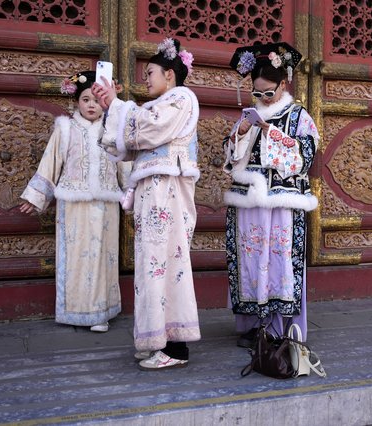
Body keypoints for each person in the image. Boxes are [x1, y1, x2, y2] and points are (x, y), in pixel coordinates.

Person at [92, 38, 201, 370]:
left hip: (166, 193)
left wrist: (117, 105)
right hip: (155, 194)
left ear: (169, 75)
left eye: (150, 73)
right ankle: (158, 339)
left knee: (165, 264)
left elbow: (149, 129)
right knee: (154, 265)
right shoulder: (165, 101)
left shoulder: (181, 98)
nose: (146, 80)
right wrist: (115, 106)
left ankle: (175, 347)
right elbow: (133, 137)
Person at [223, 42, 320, 348]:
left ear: (283, 84)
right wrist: (239, 136)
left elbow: (306, 154)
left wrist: (270, 132)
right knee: (251, 261)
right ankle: (255, 326)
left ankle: (280, 328)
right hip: (248, 199)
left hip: (282, 203)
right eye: (258, 93)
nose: (264, 98)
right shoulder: (248, 117)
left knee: (279, 263)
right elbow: (231, 157)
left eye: (269, 92)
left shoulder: (298, 116)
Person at [19, 70, 124, 332]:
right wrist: (36, 196)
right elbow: (50, 163)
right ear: (76, 100)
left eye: (97, 100)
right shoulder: (65, 128)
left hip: (106, 204)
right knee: (77, 258)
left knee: (102, 257)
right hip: (73, 205)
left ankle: (100, 313)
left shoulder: (114, 130)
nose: (92, 105)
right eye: (86, 99)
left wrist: (136, 194)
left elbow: (126, 165)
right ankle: (74, 311)